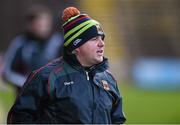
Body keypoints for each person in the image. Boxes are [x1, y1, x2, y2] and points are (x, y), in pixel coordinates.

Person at [7, 7, 126, 124]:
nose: (102, 44)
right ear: (76, 45)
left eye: (102, 38)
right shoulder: (45, 77)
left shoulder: (108, 79)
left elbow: (117, 120)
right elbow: (19, 117)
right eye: (94, 39)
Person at [2, 4, 63, 92]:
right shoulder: (20, 42)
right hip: (26, 94)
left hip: (53, 93)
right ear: (30, 25)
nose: (44, 28)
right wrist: (27, 82)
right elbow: (7, 72)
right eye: (40, 24)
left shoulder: (58, 41)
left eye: (46, 24)